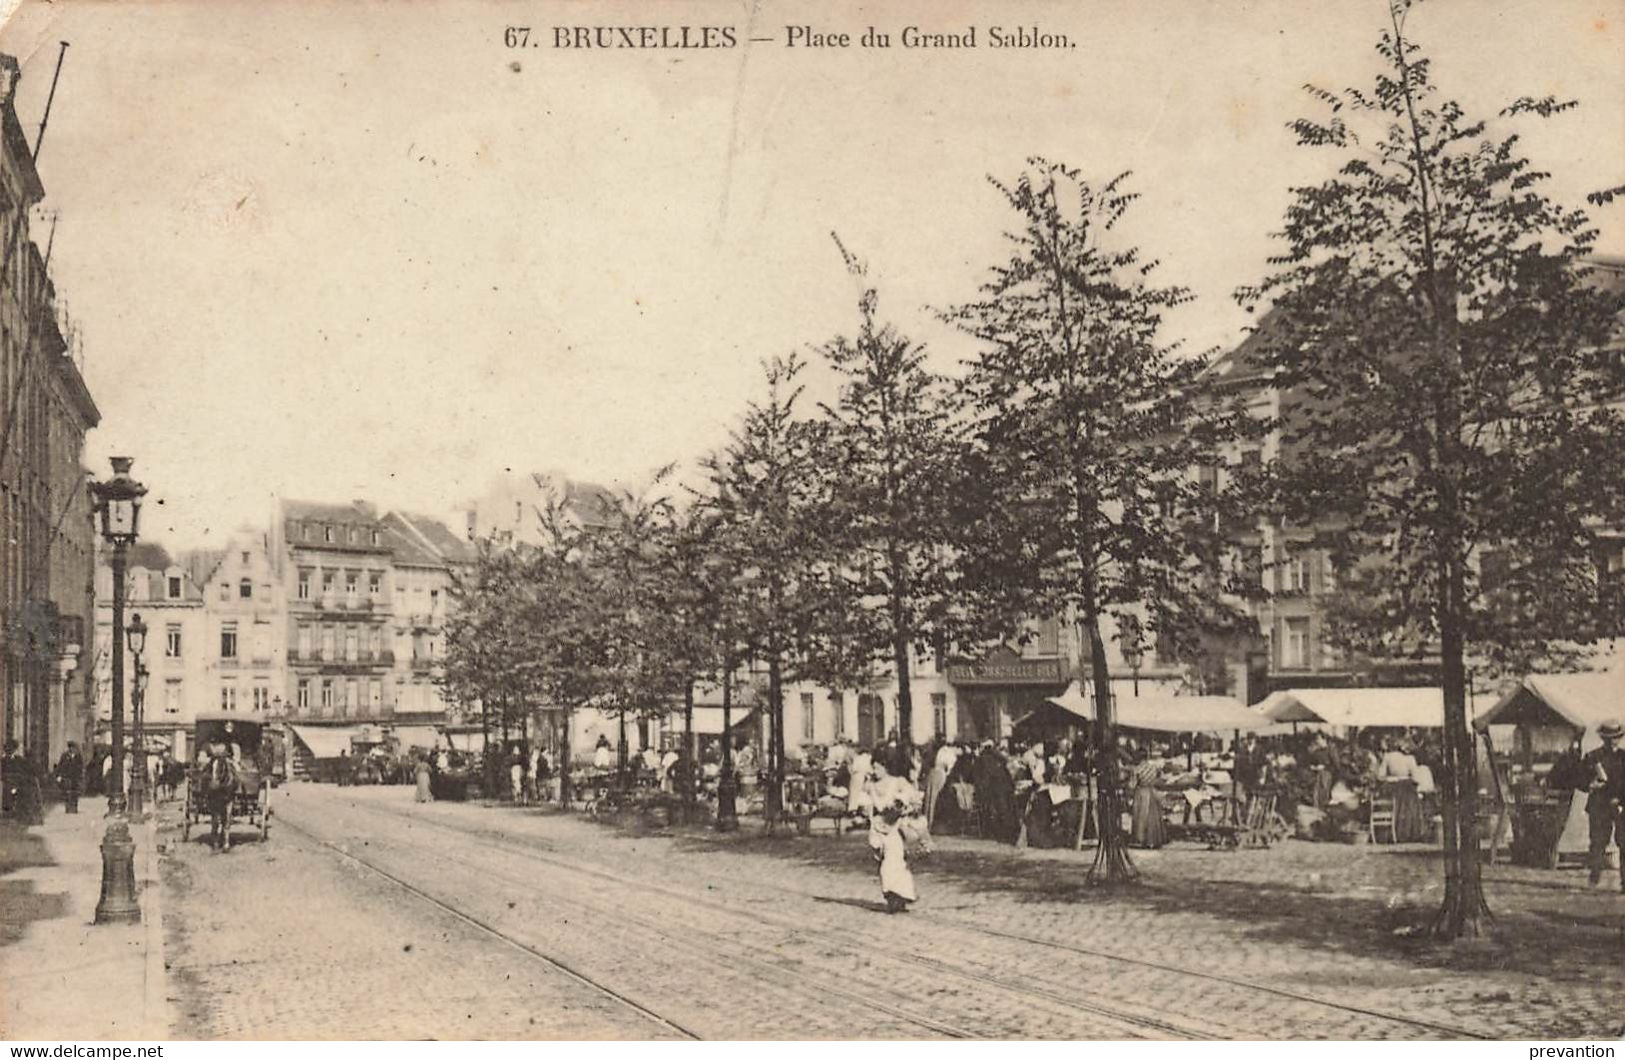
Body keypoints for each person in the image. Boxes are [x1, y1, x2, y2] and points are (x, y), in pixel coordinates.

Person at [1582, 719, 1625, 891]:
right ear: (1603, 738)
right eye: (1609, 737)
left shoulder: (1624, 757)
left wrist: (1620, 799)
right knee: (1598, 842)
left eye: (1616, 737)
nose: (1613, 741)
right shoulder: (1593, 757)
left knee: (1624, 843)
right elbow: (1582, 778)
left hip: (1622, 805)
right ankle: (1594, 877)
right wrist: (1591, 783)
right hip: (1599, 806)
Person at [55, 742, 85, 814]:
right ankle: (68, 808)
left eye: (73, 748)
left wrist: (81, 776)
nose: (72, 749)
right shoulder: (65, 756)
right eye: (71, 748)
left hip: (75, 777)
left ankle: (74, 808)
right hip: (67, 777)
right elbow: (60, 766)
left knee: (75, 793)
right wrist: (59, 775)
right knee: (67, 793)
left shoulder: (78, 756)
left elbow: (80, 767)